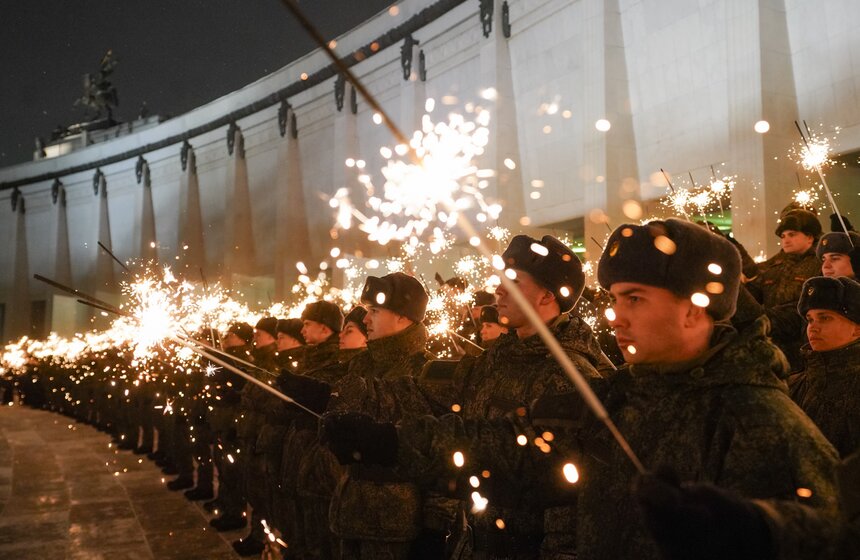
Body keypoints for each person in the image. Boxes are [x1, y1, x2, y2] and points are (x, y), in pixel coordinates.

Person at [327, 219, 842, 559]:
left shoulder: (757, 416)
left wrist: (758, 530)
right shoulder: (621, 398)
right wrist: (393, 444)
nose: (615, 315)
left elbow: (834, 530)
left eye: (635, 298)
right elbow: (513, 447)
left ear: (693, 309)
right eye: (616, 298)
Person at [325, 235, 615, 558]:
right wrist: (333, 396)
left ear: (548, 296)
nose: (499, 290)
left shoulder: (569, 375)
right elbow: (420, 394)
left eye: (514, 281)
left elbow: (569, 506)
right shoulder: (497, 360)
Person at [789, 276, 860, 457]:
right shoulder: (794, 384)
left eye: (825, 318)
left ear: (857, 328)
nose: (813, 328)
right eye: (810, 319)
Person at [746, 208, 822, 308]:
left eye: (792, 234)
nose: (786, 240)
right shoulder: (775, 266)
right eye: (783, 236)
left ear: (809, 237)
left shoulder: (823, 264)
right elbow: (752, 299)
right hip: (770, 322)